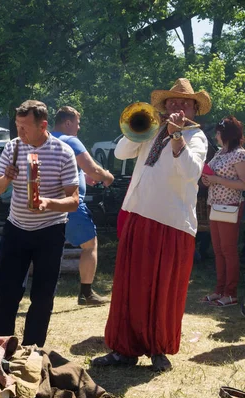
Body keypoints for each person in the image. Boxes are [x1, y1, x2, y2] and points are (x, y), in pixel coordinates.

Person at [91, 78, 210, 372]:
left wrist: (177, 137)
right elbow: (121, 153)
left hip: (172, 222)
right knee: (129, 287)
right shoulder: (151, 129)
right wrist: (150, 127)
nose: (177, 106)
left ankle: (159, 349)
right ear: (164, 106)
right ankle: (123, 349)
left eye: (184, 103)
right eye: (172, 102)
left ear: (194, 109)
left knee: (164, 289)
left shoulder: (197, 138)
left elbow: (190, 173)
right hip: (137, 214)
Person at [0, 100, 79, 347]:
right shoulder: (12, 148)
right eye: (17, 126)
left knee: (42, 297)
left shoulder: (63, 151)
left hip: (50, 232)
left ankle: (32, 352)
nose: (20, 132)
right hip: (16, 229)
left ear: (43, 125)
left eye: (25, 127)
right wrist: (6, 178)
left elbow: (73, 201)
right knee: (6, 295)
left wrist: (48, 203)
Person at [51, 106, 114, 306]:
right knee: (90, 245)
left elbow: (65, 168)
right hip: (70, 204)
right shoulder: (70, 140)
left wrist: (82, 175)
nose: (79, 128)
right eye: (77, 123)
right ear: (68, 122)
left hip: (46, 204)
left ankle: (42, 294)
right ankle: (86, 293)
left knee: (47, 248)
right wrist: (106, 176)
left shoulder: (45, 140)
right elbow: (93, 168)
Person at [201, 116, 245, 307]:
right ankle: (219, 290)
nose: (216, 135)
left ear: (226, 133)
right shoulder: (219, 153)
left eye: (218, 132)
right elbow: (211, 174)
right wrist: (207, 180)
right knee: (218, 250)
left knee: (228, 250)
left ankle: (231, 293)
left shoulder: (240, 154)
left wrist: (217, 180)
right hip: (214, 204)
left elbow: (243, 184)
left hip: (230, 206)